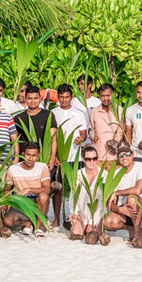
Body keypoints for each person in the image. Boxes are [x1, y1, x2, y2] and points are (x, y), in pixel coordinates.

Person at [52, 84, 87, 227]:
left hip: (75, 157)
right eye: (61, 97)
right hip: (59, 157)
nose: (64, 100)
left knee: (74, 189)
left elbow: (83, 134)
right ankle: (56, 218)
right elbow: (51, 136)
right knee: (58, 189)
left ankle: (73, 218)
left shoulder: (78, 113)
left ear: (71, 97)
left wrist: (81, 139)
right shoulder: (53, 113)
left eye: (67, 97)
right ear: (58, 97)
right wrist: (53, 156)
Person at [106, 141, 142, 244]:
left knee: (132, 198)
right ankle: (131, 228)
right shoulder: (116, 173)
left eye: (127, 154)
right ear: (117, 157)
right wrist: (120, 209)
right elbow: (108, 202)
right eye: (121, 155)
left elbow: (138, 190)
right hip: (126, 209)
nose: (124, 157)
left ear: (133, 154)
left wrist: (117, 193)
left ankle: (137, 233)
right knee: (108, 221)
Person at [2, 141, 50, 237]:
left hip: (37, 202)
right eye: (28, 155)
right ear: (23, 154)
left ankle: (38, 227)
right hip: (21, 202)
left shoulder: (42, 167)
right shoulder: (13, 169)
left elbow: (46, 189)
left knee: (44, 196)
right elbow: (7, 189)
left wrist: (28, 189)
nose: (30, 158)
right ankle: (27, 222)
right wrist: (5, 200)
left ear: (38, 156)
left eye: (34, 155)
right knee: (8, 221)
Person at [13, 85, 58, 171]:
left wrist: (52, 158)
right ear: (25, 100)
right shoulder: (18, 118)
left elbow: (54, 139)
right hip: (24, 161)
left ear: (40, 99)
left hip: (43, 159)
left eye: (35, 98)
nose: (33, 101)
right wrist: (16, 158)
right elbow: (15, 141)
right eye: (29, 98)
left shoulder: (48, 115)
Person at [69, 146, 103, 240]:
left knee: (92, 238)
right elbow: (73, 197)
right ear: (83, 159)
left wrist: (92, 221)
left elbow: (102, 203)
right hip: (82, 214)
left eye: (94, 158)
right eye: (88, 159)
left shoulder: (105, 175)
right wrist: (74, 213)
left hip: (97, 215)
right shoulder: (77, 175)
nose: (92, 161)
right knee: (76, 235)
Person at [89, 84, 125, 165]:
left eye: (108, 95)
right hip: (99, 157)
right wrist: (92, 136)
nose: (105, 98)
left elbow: (125, 132)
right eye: (102, 96)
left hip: (117, 156)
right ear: (99, 96)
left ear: (113, 95)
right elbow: (91, 129)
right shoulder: (94, 111)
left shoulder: (120, 111)